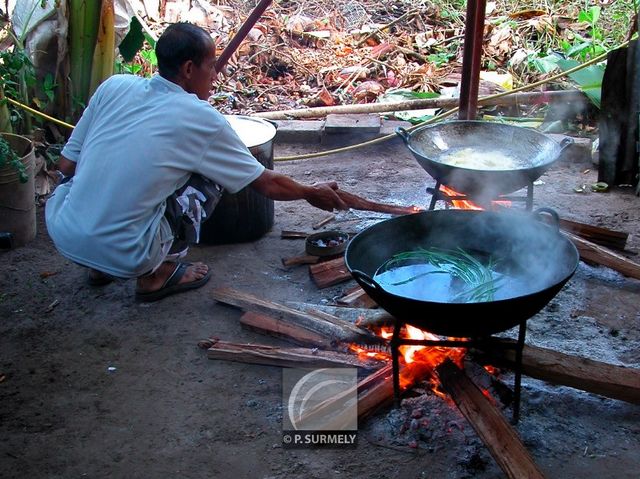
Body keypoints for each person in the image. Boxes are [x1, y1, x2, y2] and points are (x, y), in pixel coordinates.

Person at [45, 22, 347, 302]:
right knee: (211, 177)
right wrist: (310, 191)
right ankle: (156, 275)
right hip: (129, 253)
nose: (215, 75)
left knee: (92, 173)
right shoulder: (203, 120)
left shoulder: (114, 86)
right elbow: (265, 184)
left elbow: (67, 166)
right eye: (211, 66)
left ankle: (98, 267)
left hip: (65, 232)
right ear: (189, 69)